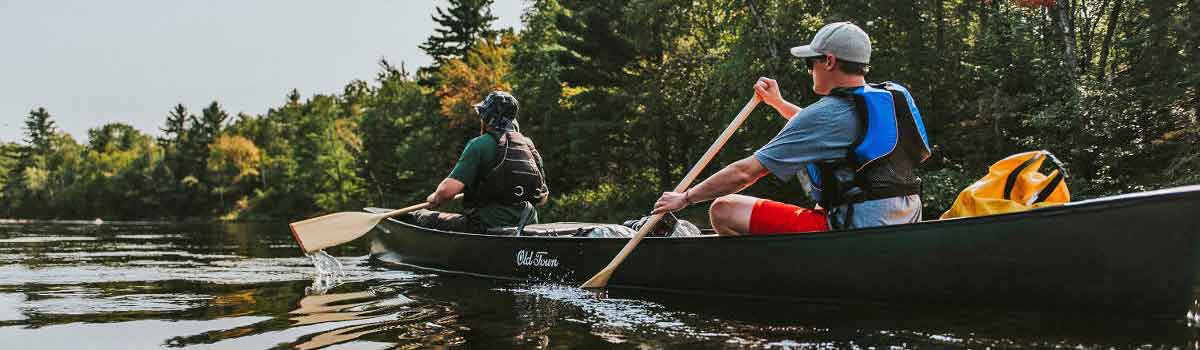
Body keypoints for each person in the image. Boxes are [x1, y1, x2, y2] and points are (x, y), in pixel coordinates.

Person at [651, 22, 931, 235]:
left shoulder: (825, 114)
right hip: (905, 219)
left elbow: (745, 172)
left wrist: (685, 198)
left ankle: (770, 276)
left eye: (811, 62)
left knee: (723, 209)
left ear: (829, 61)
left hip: (853, 228)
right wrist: (778, 103)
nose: (810, 70)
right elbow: (828, 131)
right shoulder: (889, 99)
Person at [409, 91, 550, 233]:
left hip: (487, 225)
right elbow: (543, 198)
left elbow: (446, 191)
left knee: (423, 217)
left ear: (487, 118)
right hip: (528, 223)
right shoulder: (528, 146)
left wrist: (435, 197)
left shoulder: (479, 144)